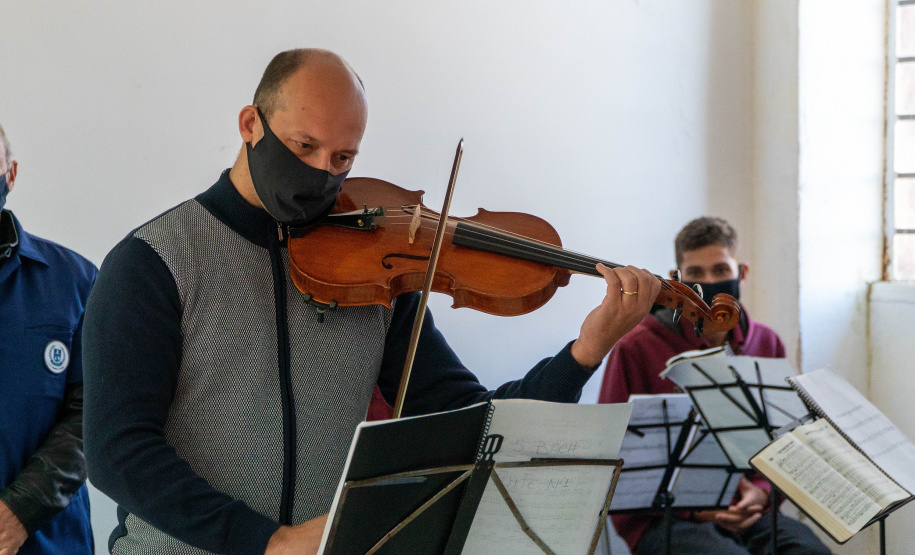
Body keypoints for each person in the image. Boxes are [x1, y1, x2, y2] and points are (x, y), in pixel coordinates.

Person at [82, 48, 662, 555]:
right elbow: (116, 449)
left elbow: (470, 421)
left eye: (343, 159)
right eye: (304, 146)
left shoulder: (376, 273)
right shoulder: (156, 261)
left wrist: (585, 352)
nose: (320, 174)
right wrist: (265, 543)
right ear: (250, 124)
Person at [598, 217, 830, 554]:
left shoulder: (766, 341)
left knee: (810, 551)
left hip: (749, 509)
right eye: (696, 273)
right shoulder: (635, 347)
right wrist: (695, 508)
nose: (709, 282)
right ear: (676, 279)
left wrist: (762, 492)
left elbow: (784, 440)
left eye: (721, 270)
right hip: (665, 516)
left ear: (742, 273)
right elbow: (613, 456)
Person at [0, 123, 97, 555]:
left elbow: (97, 412)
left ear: (11, 173)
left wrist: (19, 511)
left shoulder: (75, 281)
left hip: (49, 542)